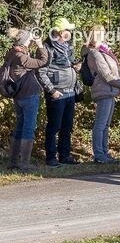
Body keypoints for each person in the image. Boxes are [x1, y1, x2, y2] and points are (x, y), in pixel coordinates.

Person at [4, 28, 50, 171]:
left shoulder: (12, 53)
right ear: (24, 42)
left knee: (20, 127)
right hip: (29, 95)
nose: (31, 42)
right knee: (28, 129)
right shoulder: (21, 57)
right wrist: (41, 45)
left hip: (19, 96)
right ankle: (25, 164)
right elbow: (43, 61)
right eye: (30, 40)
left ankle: (13, 162)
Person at [38, 17, 81, 167]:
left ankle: (65, 155)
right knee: (54, 126)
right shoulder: (47, 47)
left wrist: (77, 66)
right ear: (58, 31)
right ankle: (50, 157)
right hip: (57, 92)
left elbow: (72, 62)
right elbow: (41, 72)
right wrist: (52, 91)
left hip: (70, 91)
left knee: (67, 126)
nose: (69, 32)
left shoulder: (68, 46)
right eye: (67, 30)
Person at [86, 26, 120, 163]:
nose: (105, 35)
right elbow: (105, 74)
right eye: (102, 33)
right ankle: (99, 154)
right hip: (103, 90)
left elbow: (115, 68)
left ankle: (104, 152)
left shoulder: (105, 51)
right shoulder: (95, 53)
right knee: (100, 124)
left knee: (106, 124)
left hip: (111, 90)